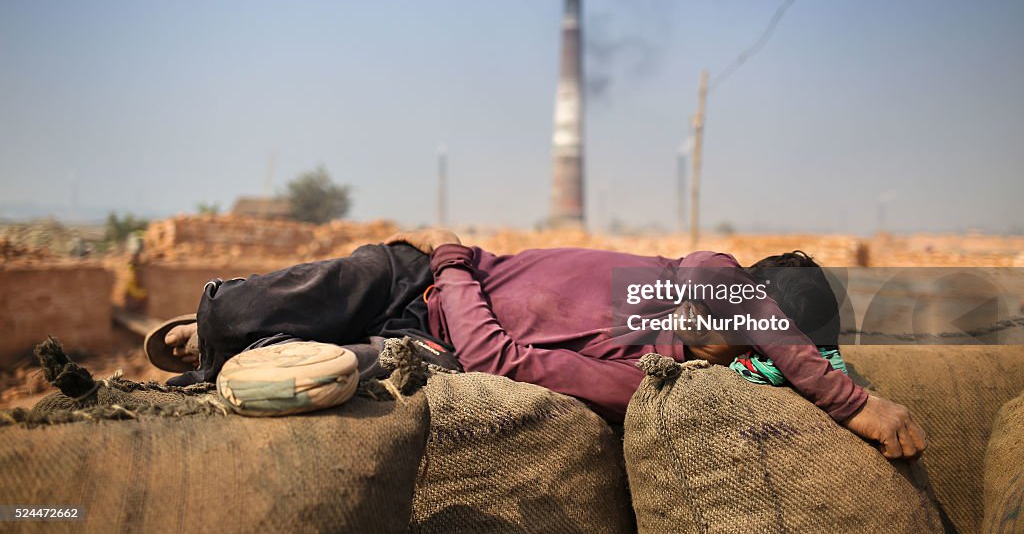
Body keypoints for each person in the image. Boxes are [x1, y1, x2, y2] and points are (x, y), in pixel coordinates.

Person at [158, 228, 926, 459]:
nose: (710, 307)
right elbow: (715, 275)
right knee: (360, 270)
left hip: (443, 344)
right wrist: (445, 265)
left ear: (760, 350)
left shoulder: (645, 381)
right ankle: (217, 331)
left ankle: (234, 366)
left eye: (738, 319)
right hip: (416, 279)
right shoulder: (677, 274)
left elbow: (498, 361)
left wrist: (847, 401)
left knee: (361, 369)